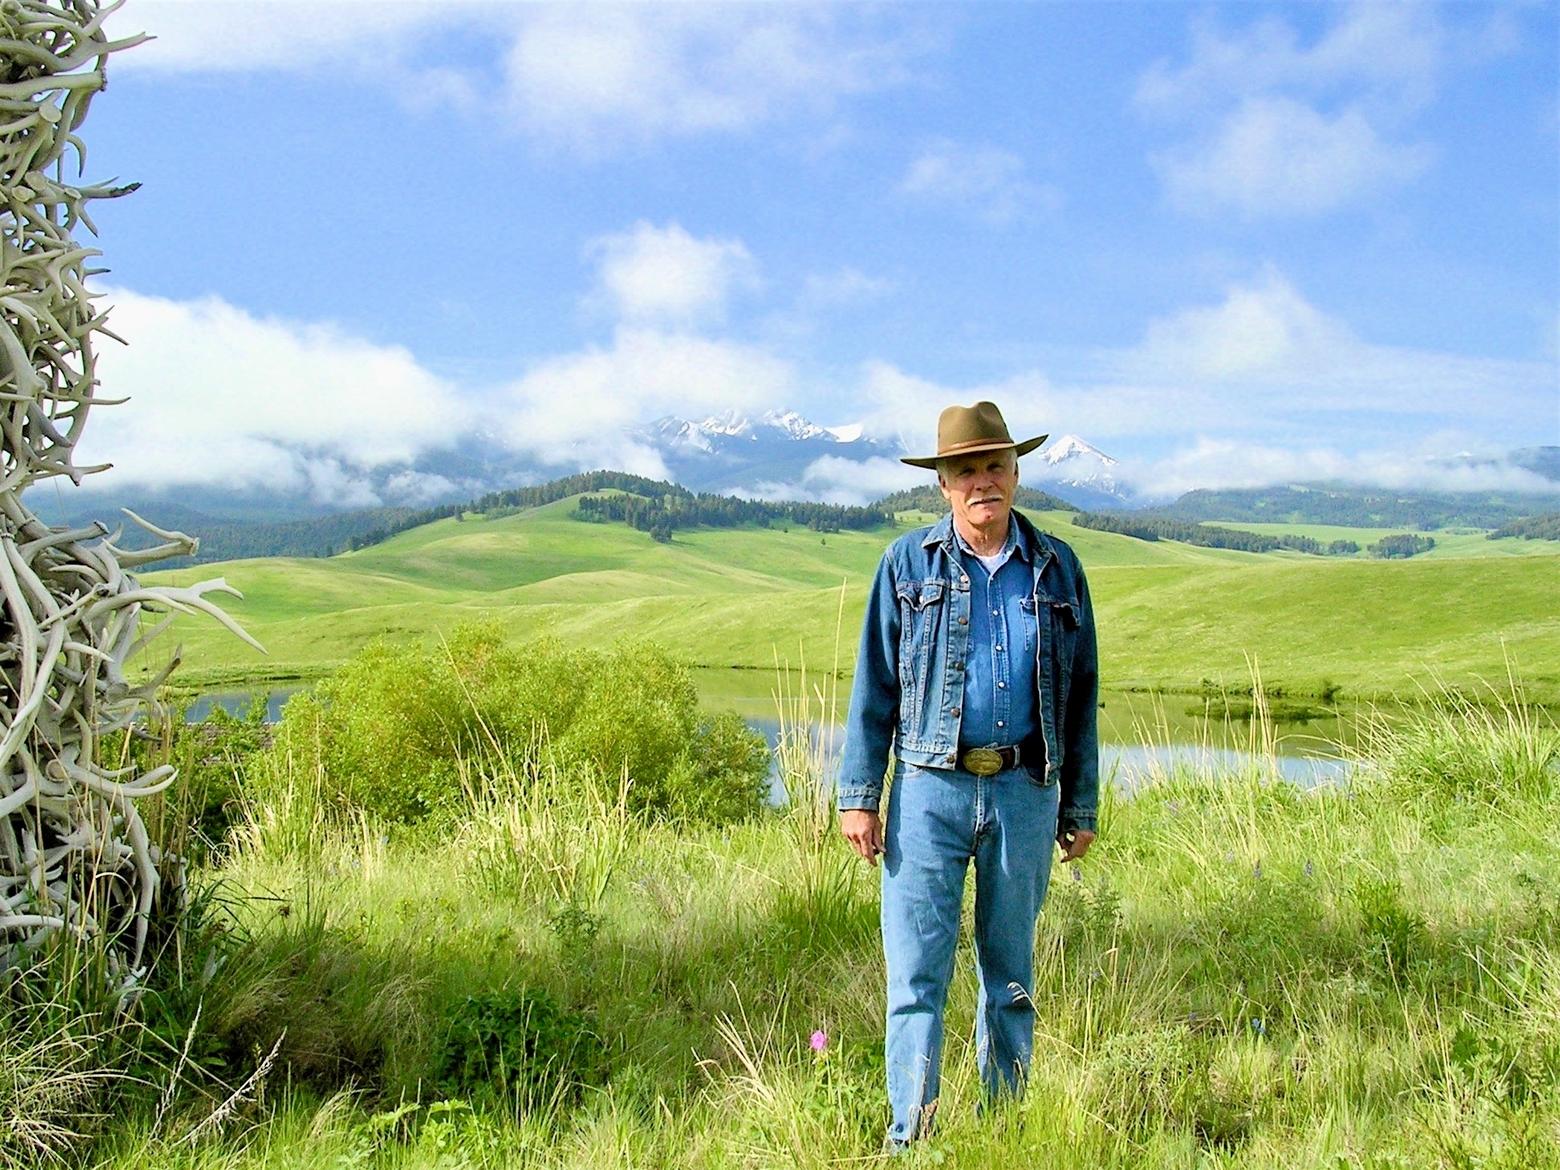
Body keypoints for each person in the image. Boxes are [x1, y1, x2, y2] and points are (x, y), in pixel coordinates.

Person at [837, 400, 1099, 1145]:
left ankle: (1005, 1133)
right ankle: (909, 1137)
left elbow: (1082, 693)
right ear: (943, 484)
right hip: (928, 790)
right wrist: (860, 797)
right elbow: (873, 687)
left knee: (1009, 977)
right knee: (917, 975)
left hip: (1025, 790)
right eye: (965, 469)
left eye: (994, 465)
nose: (981, 481)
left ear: (1016, 472)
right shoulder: (906, 564)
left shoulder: (1057, 567)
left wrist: (1079, 804)